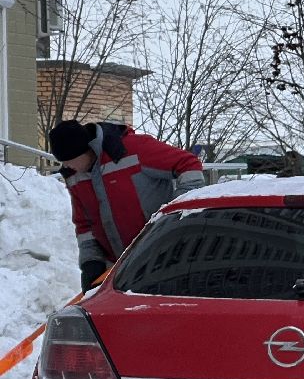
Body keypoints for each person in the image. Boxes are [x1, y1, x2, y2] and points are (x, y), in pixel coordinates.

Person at [48, 119, 205, 289]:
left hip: (165, 259)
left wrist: (176, 215)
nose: (65, 165)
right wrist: (91, 263)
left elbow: (189, 164)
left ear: (86, 149)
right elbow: (85, 226)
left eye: (69, 160)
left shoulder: (134, 149)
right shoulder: (74, 177)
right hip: (120, 271)